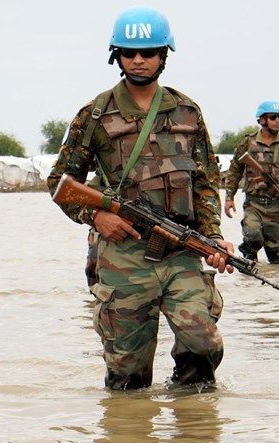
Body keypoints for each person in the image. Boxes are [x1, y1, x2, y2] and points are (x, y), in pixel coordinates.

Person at [48, 6, 234, 390]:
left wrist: (213, 235)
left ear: (163, 55)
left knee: (202, 346)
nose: (138, 60)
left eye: (148, 52)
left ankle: (193, 433)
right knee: (128, 374)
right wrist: (96, 217)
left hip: (182, 250)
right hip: (125, 254)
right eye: (129, 52)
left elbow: (204, 182)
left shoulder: (187, 111)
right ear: (116, 55)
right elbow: (59, 182)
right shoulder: (95, 114)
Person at [223, 101, 279, 264]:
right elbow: (234, 171)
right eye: (273, 117)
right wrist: (228, 198)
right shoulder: (248, 142)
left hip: (277, 206)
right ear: (262, 120)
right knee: (253, 236)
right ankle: (247, 257)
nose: (277, 121)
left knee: (276, 256)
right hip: (254, 204)